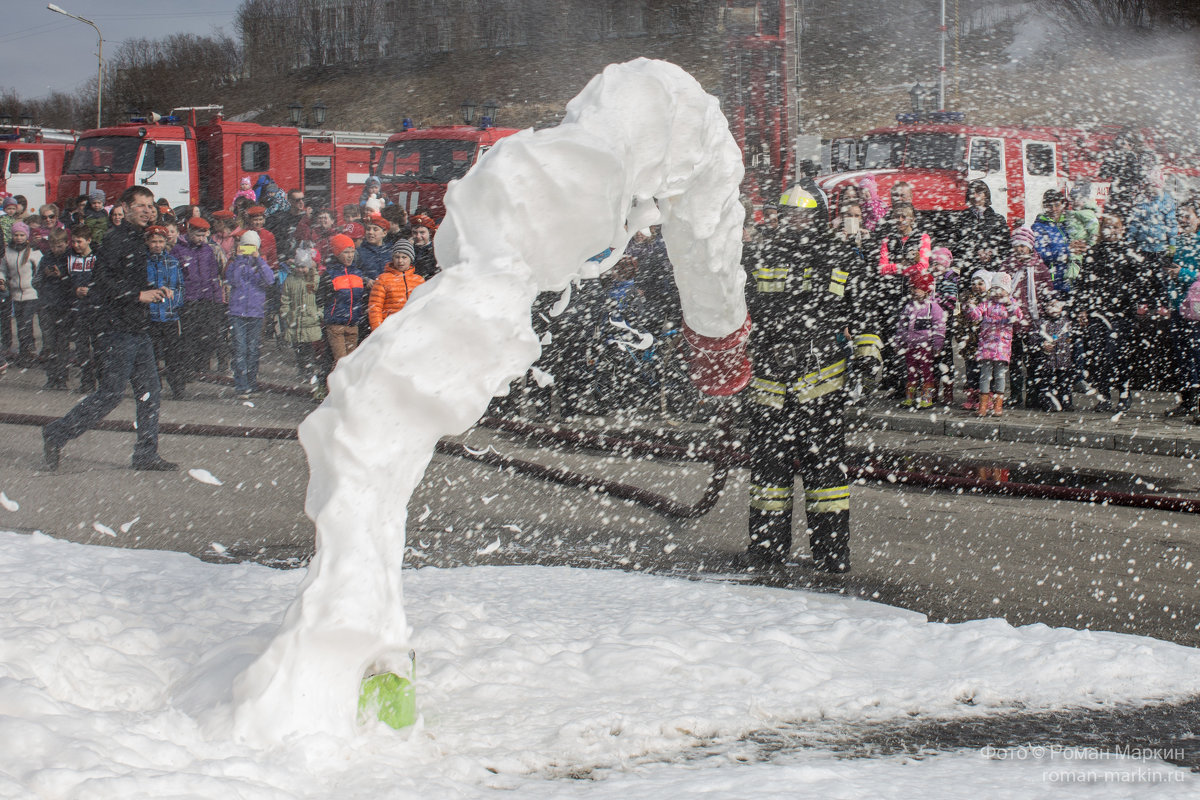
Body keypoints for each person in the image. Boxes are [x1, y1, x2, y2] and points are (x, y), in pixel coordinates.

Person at [740, 185, 881, 574]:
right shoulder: (758, 254)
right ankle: (767, 549)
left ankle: (831, 552)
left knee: (826, 473)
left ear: (818, 218)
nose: (795, 221)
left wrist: (868, 354)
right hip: (768, 378)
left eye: (803, 215)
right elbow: (737, 310)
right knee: (769, 470)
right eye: (789, 215)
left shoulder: (840, 257)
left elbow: (865, 309)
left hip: (822, 379)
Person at [42, 185, 178, 472]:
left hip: (137, 328)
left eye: (150, 205)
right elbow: (101, 282)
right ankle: (57, 432)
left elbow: (126, 280)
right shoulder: (116, 239)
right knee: (111, 393)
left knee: (150, 392)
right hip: (117, 329)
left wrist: (154, 290)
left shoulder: (137, 240)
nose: (147, 210)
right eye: (140, 205)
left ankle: (145, 454)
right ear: (125, 208)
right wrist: (137, 296)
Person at [1074, 213, 1151, 412]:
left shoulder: (1129, 252)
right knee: (1100, 355)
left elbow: (1141, 281)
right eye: (1108, 226)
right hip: (1099, 313)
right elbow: (1083, 283)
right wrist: (1082, 308)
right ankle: (1105, 396)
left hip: (1122, 312)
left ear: (1122, 229)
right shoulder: (1094, 252)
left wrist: (1139, 302)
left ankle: (1124, 393)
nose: (1112, 231)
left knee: (1119, 354)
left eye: (1116, 227)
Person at [997, 226, 1055, 409]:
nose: (1020, 249)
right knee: (1013, 360)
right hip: (1011, 322)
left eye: (1024, 246)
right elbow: (999, 287)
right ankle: (1015, 394)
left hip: (1033, 322)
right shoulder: (1008, 266)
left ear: (1031, 246)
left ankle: (1032, 394)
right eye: (1017, 246)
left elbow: (1047, 291)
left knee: (1034, 360)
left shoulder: (1039, 266)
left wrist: (1047, 310)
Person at [173, 217, 226, 385]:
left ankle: (200, 367)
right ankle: (187, 368)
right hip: (188, 299)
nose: (202, 239)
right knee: (188, 336)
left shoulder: (207, 250)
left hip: (206, 299)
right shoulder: (177, 250)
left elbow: (213, 275)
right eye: (198, 235)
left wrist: (217, 298)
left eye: (204, 235)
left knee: (206, 334)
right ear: (189, 232)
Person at [225, 230, 275, 400]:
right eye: (245, 246)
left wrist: (258, 259)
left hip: (256, 312)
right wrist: (239, 260)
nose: (248, 250)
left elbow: (270, 280)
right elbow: (234, 280)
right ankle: (241, 385)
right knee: (239, 349)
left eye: (251, 246)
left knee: (253, 350)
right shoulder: (234, 263)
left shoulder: (261, 264)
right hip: (237, 312)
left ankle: (251, 383)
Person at [966, 272, 1023, 417]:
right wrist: (971, 307)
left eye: (1001, 290)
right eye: (995, 289)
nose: (998, 293)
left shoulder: (1011, 303)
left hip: (1002, 348)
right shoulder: (987, 303)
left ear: (1007, 291)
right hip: (986, 346)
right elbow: (976, 316)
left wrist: (1009, 304)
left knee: (1000, 376)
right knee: (984, 375)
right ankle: (983, 404)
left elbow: (1017, 317)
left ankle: (998, 405)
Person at [144, 225, 187, 400]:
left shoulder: (172, 262)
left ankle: (177, 386)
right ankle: (152, 386)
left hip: (170, 315)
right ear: (147, 242)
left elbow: (180, 287)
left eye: (160, 241)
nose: (157, 245)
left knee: (173, 354)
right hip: (150, 315)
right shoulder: (143, 263)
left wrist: (174, 301)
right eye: (153, 241)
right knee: (150, 354)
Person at [1166, 201, 1200, 419]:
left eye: (1188, 216)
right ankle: (1187, 401)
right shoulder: (1178, 241)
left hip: (1197, 309)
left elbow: (1191, 274)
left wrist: (1184, 273)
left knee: (1196, 355)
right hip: (1179, 308)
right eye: (1180, 216)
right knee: (1183, 356)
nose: (1183, 220)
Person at [894, 270, 946, 409]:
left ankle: (926, 398)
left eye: (917, 288)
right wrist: (898, 341)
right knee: (911, 372)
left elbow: (939, 327)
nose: (913, 291)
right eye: (912, 288)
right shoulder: (909, 307)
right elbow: (901, 326)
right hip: (910, 346)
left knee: (926, 373)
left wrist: (937, 345)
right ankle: (910, 397)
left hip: (925, 346)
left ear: (926, 290)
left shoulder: (933, 307)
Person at [278, 245, 324, 397]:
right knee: (299, 347)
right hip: (296, 319)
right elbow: (285, 298)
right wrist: (286, 313)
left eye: (304, 267)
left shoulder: (315, 279)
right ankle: (303, 369)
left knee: (309, 348)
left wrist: (319, 313)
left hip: (310, 319)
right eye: (298, 267)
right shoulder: (291, 281)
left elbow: (320, 297)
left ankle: (309, 371)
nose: (301, 270)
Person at [317, 233, 368, 368]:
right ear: (337, 253)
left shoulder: (357, 273)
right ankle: (336, 387)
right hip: (336, 324)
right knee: (340, 361)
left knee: (351, 362)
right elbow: (321, 297)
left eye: (352, 251)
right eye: (346, 252)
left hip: (353, 323)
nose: (350, 255)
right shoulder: (330, 274)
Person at [33, 229, 73, 390]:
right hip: (47, 304)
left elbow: (74, 281)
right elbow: (35, 281)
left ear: (66, 243)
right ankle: (51, 377)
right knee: (49, 342)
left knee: (63, 343)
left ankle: (62, 377)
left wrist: (61, 275)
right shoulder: (45, 258)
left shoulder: (70, 258)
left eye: (60, 245)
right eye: (54, 246)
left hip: (64, 305)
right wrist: (44, 276)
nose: (57, 249)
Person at [66, 225, 99, 394]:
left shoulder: (98, 257)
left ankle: (101, 382)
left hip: (96, 308)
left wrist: (91, 290)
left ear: (88, 240)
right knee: (82, 347)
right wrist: (74, 290)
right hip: (78, 309)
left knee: (99, 346)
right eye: (74, 241)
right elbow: (66, 281)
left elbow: (103, 281)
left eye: (79, 242)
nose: (76, 245)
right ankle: (86, 381)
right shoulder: (70, 258)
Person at [951, 180, 1010, 277]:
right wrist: (975, 253)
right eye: (971, 193)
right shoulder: (961, 218)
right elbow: (956, 245)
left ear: (986, 195)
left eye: (978, 192)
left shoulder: (998, 219)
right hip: (967, 271)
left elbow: (1005, 247)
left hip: (991, 271)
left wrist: (992, 255)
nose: (974, 196)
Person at [3, 221, 41, 367]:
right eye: (16, 235)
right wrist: (2, 279)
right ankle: (23, 353)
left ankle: (29, 352)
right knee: (19, 324)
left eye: (21, 235)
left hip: (31, 294)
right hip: (15, 294)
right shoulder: (8, 252)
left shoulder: (34, 252)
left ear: (27, 236)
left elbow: (39, 270)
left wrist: (37, 286)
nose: (18, 238)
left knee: (26, 322)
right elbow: (3, 269)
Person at [368, 239, 425, 331]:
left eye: (404, 257)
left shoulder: (419, 280)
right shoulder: (383, 279)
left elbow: (424, 306)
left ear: (411, 258)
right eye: (397, 257)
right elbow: (375, 307)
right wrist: (378, 330)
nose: (400, 261)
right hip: (389, 328)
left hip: (413, 328)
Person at [928, 246, 958, 405]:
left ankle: (948, 392)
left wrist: (936, 308)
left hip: (945, 322)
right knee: (931, 358)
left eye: (938, 264)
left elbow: (951, 301)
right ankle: (931, 391)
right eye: (933, 264)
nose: (935, 267)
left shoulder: (950, 278)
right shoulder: (932, 279)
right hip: (931, 323)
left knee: (945, 358)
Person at [957, 269, 990, 410]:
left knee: (985, 372)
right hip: (969, 342)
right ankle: (972, 396)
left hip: (984, 343)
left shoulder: (989, 301)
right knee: (970, 371)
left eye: (981, 283)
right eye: (974, 283)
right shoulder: (966, 299)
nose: (976, 286)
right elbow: (959, 319)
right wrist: (961, 336)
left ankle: (985, 398)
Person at [1035, 300, 1074, 411]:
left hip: (1063, 360)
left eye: (1057, 305)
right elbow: (1033, 338)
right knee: (1047, 382)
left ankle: (1065, 401)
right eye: (1050, 305)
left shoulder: (1066, 321)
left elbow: (1072, 337)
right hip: (1047, 361)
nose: (1053, 309)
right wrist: (1042, 344)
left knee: (1064, 382)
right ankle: (1048, 402)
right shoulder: (1041, 322)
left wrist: (1068, 343)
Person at [1031, 189, 1072, 293]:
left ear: (1063, 205)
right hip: (1052, 280)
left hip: (1070, 277)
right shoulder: (1039, 227)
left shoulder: (1069, 224)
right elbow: (1041, 254)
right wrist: (1067, 251)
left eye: (1057, 205)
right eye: (1049, 206)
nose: (1053, 209)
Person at [409, 214, 439, 280]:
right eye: (415, 233)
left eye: (422, 232)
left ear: (430, 233)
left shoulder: (437, 251)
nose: (418, 236)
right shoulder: (408, 250)